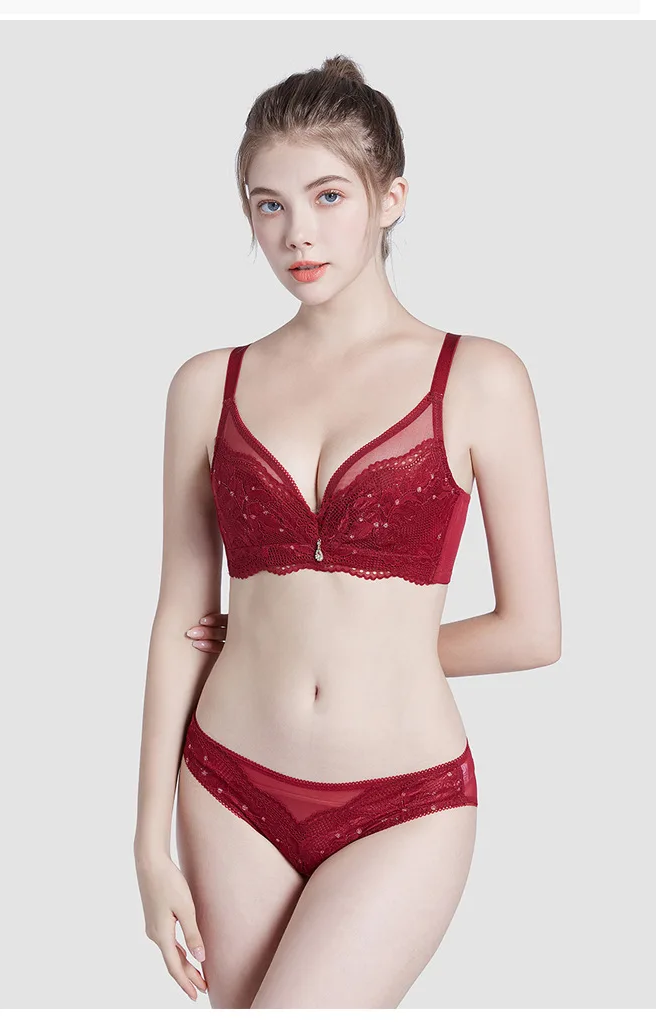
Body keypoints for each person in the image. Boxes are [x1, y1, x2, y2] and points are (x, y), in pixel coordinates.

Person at [133, 53, 561, 1009]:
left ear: (390, 198)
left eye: (329, 196)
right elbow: (177, 625)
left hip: (404, 801)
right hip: (228, 785)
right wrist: (147, 846)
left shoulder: (480, 377)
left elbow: (534, 632)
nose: (299, 232)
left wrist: (377, 652)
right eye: (269, 205)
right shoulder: (206, 386)